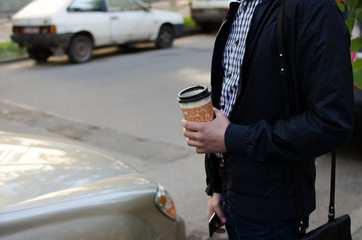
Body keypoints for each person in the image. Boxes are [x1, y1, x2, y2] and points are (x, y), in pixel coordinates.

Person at [181, 0, 354, 239]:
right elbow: (229, 104)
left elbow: (332, 123)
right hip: (231, 199)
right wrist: (217, 186)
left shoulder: (313, 8)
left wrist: (232, 138)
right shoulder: (240, 8)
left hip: (273, 214)